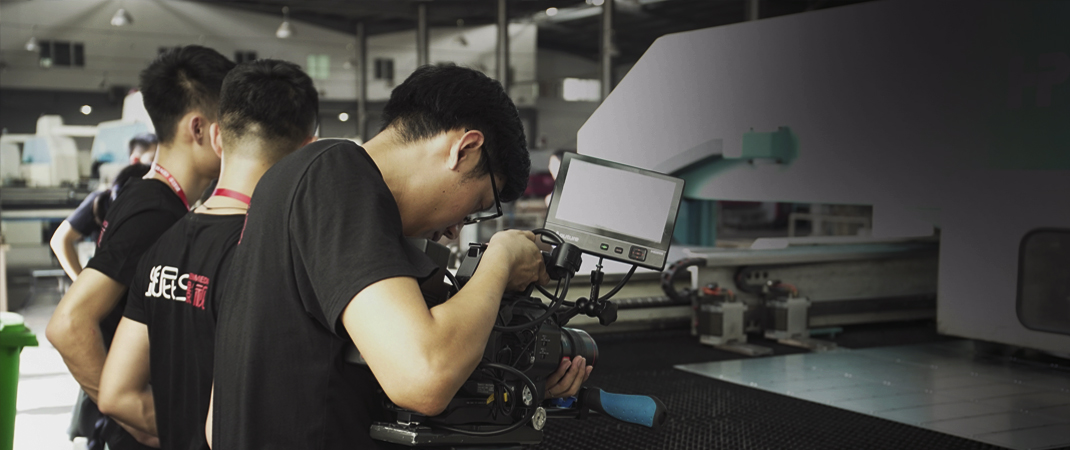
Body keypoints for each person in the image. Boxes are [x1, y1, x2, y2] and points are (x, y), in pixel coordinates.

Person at [208, 64, 591, 450]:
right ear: (464, 150)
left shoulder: (293, 177)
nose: (455, 230)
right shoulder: (339, 177)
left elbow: (218, 418)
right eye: (476, 206)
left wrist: (518, 386)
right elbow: (423, 378)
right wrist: (501, 258)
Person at [96, 58, 319, 450]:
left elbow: (116, 395)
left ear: (217, 137)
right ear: (307, 153)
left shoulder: (161, 244)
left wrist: (184, 430)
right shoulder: (272, 257)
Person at [46, 45, 235, 450]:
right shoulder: (153, 212)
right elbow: (68, 324)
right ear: (199, 129)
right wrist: (141, 420)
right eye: (231, 128)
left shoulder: (147, 195)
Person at [51, 133, 158, 283]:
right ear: (135, 160)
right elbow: (60, 240)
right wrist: (81, 285)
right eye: (154, 159)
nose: (159, 166)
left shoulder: (159, 200)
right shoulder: (104, 200)